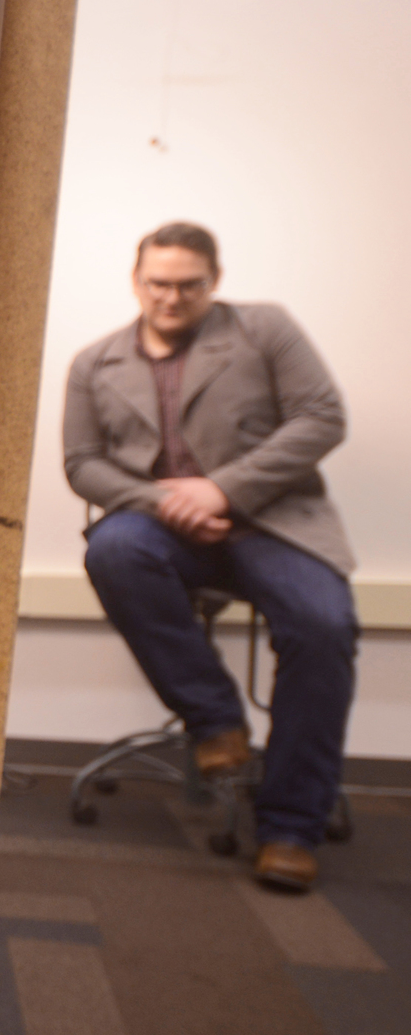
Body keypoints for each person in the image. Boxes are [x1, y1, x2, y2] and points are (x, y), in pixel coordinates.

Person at [63, 220, 356, 893]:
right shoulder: (94, 363)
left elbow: (321, 417)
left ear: (215, 281)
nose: (171, 298)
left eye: (188, 284)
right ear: (137, 282)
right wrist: (165, 503)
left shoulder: (265, 329)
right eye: (158, 284)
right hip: (163, 532)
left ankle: (289, 827)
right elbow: (82, 464)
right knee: (112, 547)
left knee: (324, 627)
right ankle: (217, 721)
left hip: (273, 525)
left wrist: (219, 487)